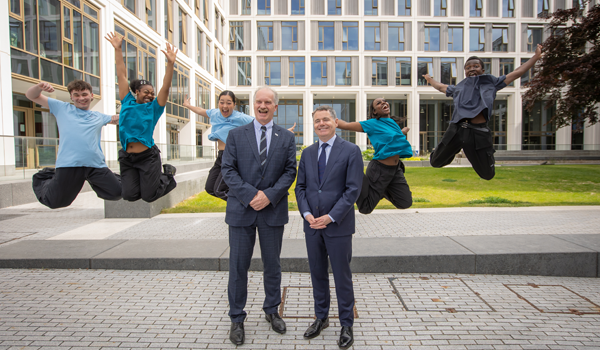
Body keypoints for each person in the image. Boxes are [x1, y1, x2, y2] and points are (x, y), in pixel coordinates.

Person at [220, 87, 297, 346]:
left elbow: (290, 172)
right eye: (258, 101)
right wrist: (252, 195)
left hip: (272, 211)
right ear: (253, 105)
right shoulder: (235, 135)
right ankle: (237, 318)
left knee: (272, 265)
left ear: (276, 106)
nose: (263, 106)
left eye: (268, 102)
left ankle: (272, 311)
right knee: (238, 267)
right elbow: (228, 170)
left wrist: (269, 196)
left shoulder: (286, 137)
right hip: (241, 210)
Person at [295, 106, 364, 349]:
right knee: (317, 274)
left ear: (335, 122)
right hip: (312, 226)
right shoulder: (307, 152)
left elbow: (353, 189)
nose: (321, 124)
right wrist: (307, 214)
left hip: (338, 226)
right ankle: (321, 317)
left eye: (326, 120)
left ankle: (346, 323)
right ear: (313, 124)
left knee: (341, 275)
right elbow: (300, 188)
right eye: (317, 121)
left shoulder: (351, 151)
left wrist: (330, 216)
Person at [423, 44, 544, 180]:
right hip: (456, 130)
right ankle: (455, 148)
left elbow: (517, 73)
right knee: (435, 162)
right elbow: (440, 87)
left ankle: (476, 152)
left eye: (475, 66)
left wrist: (535, 57)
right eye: (468, 68)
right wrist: (429, 79)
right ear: (465, 72)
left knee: (487, 175)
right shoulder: (458, 88)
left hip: (478, 132)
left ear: (482, 69)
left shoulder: (491, 83)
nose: (472, 69)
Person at [105, 31, 177, 202]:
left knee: (149, 196)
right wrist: (117, 49)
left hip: (147, 156)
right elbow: (121, 75)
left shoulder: (154, 108)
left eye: (152, 93)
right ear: (136, 91)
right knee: (129, 196)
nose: (150, 95)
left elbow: (165, 88)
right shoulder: (127, 101)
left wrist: (170, 63)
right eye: (146, 92)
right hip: (127, 157)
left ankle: (168, 175)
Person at [26, 80, 122, 209]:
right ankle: (47, 175)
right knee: (56, 202)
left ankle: (112, 177)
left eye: (84, 94)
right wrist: (39, 87)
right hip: (69, 164)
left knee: (117, 192)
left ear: (91, 96)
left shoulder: (99, 116)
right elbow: (31, 96)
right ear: (71, 97)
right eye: (76, 95)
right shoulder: (61, 108)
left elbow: (118, 119)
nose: (81, 98)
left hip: (95, 165)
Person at [183, 92, 296, 200]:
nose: (225, 106)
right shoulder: (214, 113)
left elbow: (262, 122)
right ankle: (244, 200)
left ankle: (245, 203)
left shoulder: (240, 117)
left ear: (234, 104)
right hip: (219, 155)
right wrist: (188, 105)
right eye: (222, 102)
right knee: (210, 188)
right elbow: (200, 111)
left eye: (229, 103)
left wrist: (283, 132)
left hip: (230, 155)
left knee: (219, 190)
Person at [337, 98, 413, 214]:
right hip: (380, 169)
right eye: (379, 103)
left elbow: (394, 138)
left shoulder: (392, 123)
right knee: (365, 208)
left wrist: (402, 131)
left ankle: (383, 190)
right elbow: (346, 125)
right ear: (374, 112)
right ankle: (353, 173)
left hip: (395, 170)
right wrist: (327, 118)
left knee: (405, 202)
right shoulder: (372, 124)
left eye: (384, 101)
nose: (383, 103)